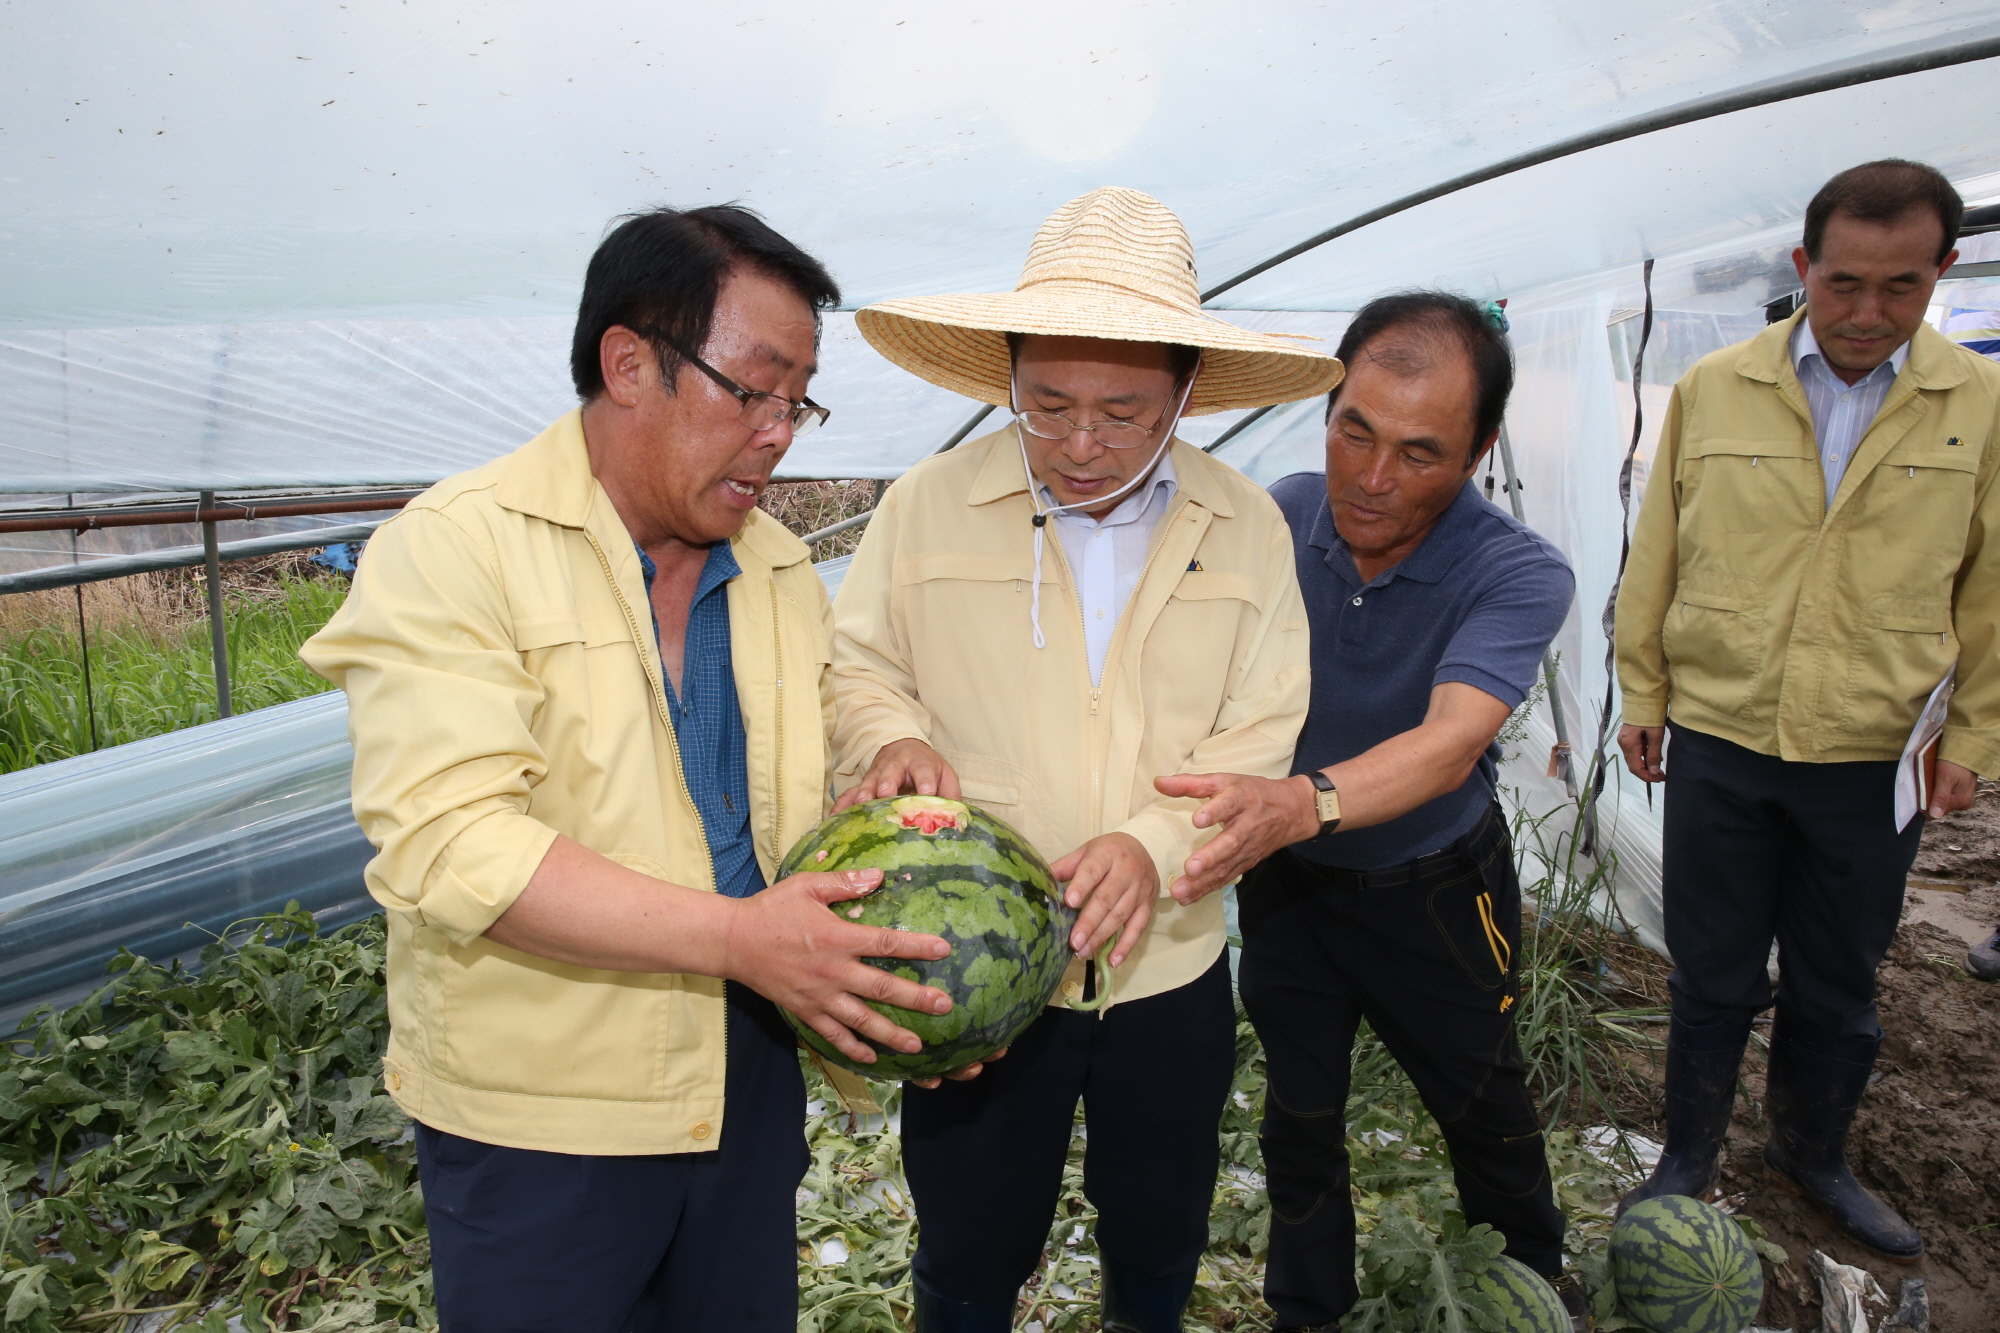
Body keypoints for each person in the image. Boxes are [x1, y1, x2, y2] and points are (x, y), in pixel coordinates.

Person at [300, 205, 961, 1332]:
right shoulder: (457, 547)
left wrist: (881, 744)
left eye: (796, 400)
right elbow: (456, 845)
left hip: (743, 1068)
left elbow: (827, 694)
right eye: (751, 389)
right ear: (628, 363)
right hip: (540, 1111)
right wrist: (745, 938)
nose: (778, 434)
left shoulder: (774, 561)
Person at [833, 186, 1339, 1332]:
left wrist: (1151, 847)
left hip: (1167, 968)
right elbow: (853, 664)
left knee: (1157, 1223)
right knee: (967, 1233)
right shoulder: (925, 507)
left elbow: (1260, 736)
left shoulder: (1246, 526)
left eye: (1120, 413)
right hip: (974, 971)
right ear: (1003, 372)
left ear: (1187, 393)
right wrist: (888, 733)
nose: (1076, 443)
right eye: (1045, 403)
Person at [1156, 293, 1581, 1331]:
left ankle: (1528, 1278)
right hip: (1293, 886)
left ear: (1478, 450)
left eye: (1418, 452)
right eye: (1355, 430)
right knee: (1298, 1109)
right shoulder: (1280, 513)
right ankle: (1305, 1306)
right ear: (1330, 406)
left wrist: (1299, 801)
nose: (1372, 479)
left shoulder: (1516, 572)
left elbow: (1448, 745)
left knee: (1479, 1098)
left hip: (1432, 890)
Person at [1612, 160, 2000, 1260]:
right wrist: (1642, 690)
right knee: (1712, 970)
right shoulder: (1716, 386)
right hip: (1723, 736)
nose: (1866, 314)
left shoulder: (1976, 404)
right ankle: (1686, 1157)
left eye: (1899, 288)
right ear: (1800, 268)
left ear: (1941, 273)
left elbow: (1988, 585)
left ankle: (1807, 1152)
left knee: (1839, 975)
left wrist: (1969, 738)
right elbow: (1659, 554)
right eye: (1841, 285)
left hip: (1874, 753)